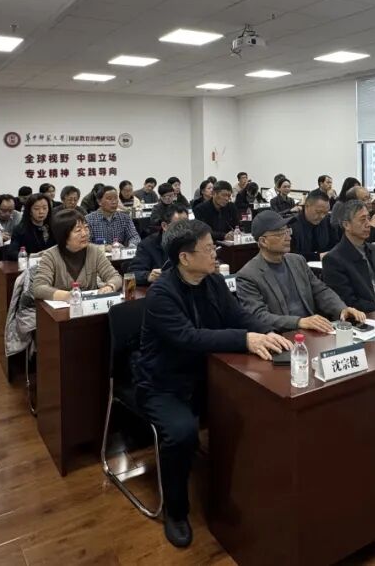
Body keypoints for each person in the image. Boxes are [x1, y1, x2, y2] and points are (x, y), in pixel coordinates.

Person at [135, 220, 289, 548]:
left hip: (208, 374)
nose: (215, 253)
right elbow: (189, 337)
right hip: (165, 383)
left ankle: (241, 492)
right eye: (208, 249)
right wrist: (244, 339)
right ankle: (176, 511)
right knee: (182, 434)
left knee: (250, 408)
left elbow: (238, 317)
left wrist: (266, 332)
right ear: (184, 258)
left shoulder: (214, 281)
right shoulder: (161, 294)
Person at [237, 210, 366, 334]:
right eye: (280, 233)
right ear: (263, 241)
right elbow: (259, 316)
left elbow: (320, 290)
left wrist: (341, 309)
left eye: (287, 231)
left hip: (312, 330)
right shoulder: (248, 275)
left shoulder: (297, 261)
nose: (288, 237)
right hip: (281, 336)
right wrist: (299, 322)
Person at [323, 199, 375, 313]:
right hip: (371, 315)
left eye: (368, 218)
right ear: (346, 225)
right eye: (362, 220)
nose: (368, 224)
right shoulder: (333, 260)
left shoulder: (374, 250)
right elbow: (350, 302)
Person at [29, 208, 121, 299]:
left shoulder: (94, 251)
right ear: (63, 236)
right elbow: (39, 288)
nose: (85, 234)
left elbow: (115, 276)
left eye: (86, 228)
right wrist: (67, 296)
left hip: (89, 305)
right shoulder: (50, 256)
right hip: (62, 307)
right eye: (78, 230)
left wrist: (110, 286)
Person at [129, 203, 188, 285]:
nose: (184, 230)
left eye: (186, 225)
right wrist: (148, 276)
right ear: (164, 226)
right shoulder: (147, 245)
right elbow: (133, 273)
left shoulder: (192, 242)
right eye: (178, 226)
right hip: (162, 288)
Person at [290, 190, 339, 261]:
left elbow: (335, 245)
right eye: (318, 212)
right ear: (307, 206)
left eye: (325, 213)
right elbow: (290, 254)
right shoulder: (292, 225)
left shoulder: (327, 221)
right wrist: (317, 257)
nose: (322, 216)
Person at [4, 193, 54, 259]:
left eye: (45, 208)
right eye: (36, 209)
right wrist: (32, 256)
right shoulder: (20, 229)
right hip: (30, 263)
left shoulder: (54, 227)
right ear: (29, 211)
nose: (41, 212)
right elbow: (12, 253)